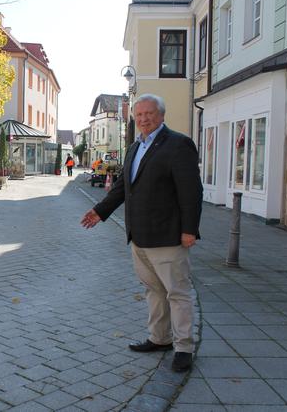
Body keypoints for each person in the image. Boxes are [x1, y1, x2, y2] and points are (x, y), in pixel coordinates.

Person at [80, 94, 203, 373]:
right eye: (139, 115)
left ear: (161, 115)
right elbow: (123, 187)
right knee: (154, 291)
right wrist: (99, 212)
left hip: (169, 236)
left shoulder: (178, 144)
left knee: (178, 293)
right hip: (139, 237)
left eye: (149, 113)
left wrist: (189, 230)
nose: (144, 119)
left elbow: (191, 191)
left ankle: (184, 347)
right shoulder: (135, 147)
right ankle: (160, 339)